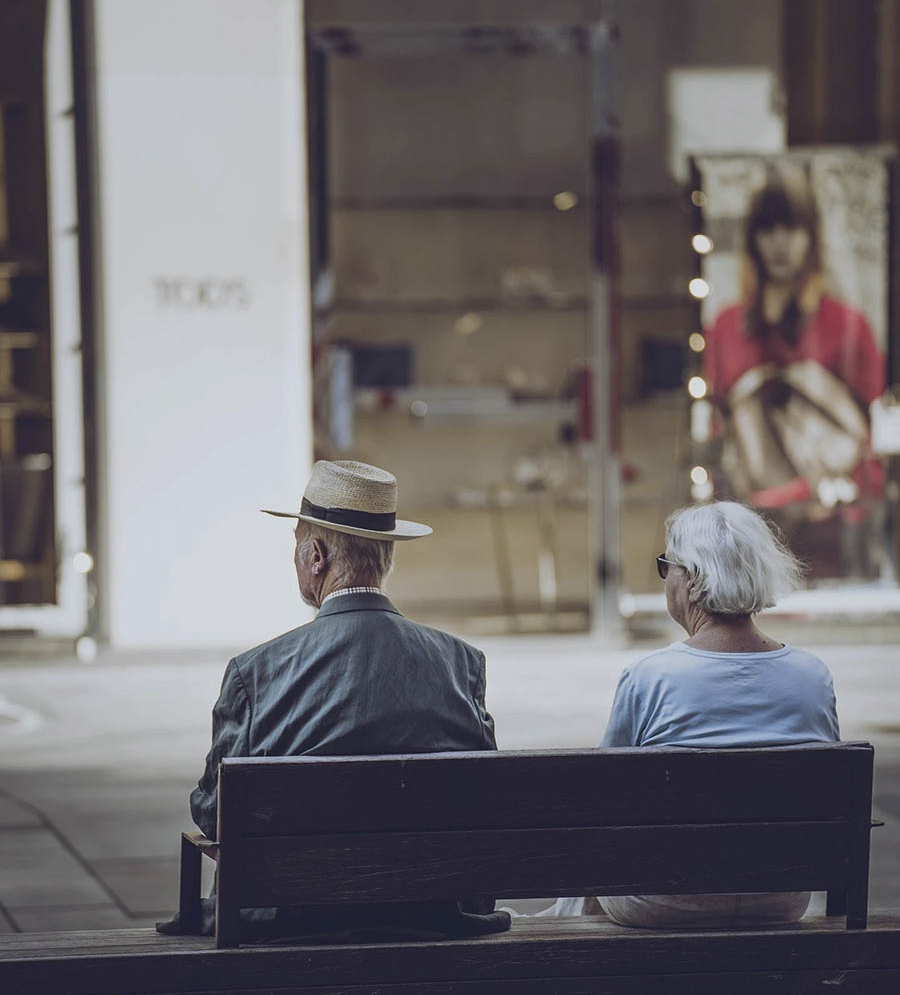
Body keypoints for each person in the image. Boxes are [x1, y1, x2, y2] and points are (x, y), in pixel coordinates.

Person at [158, 458, 508, 941]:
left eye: (296, 548)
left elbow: (215, 812)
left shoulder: (254, 674)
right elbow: (486, 799)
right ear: (388, 557)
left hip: (287, 923)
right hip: (428, 919)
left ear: (315, 557)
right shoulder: (461, 664)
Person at [554, 500, 840, 928]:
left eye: (666, 565)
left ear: (693, 578)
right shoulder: (813, 676)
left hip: (663, 900)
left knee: (588, 874)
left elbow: (604, 800)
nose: (666, 577)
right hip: (780, 898)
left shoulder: (650, 676)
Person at [703, 172, 885, 577]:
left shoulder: (847, 324)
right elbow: (718, 436)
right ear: (753, 239)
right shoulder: (726, 327)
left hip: (835, 529)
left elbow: (870, 436)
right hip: (750, 533)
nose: (780, 242)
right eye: (768, 229)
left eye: (792, 227)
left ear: (811, 236)